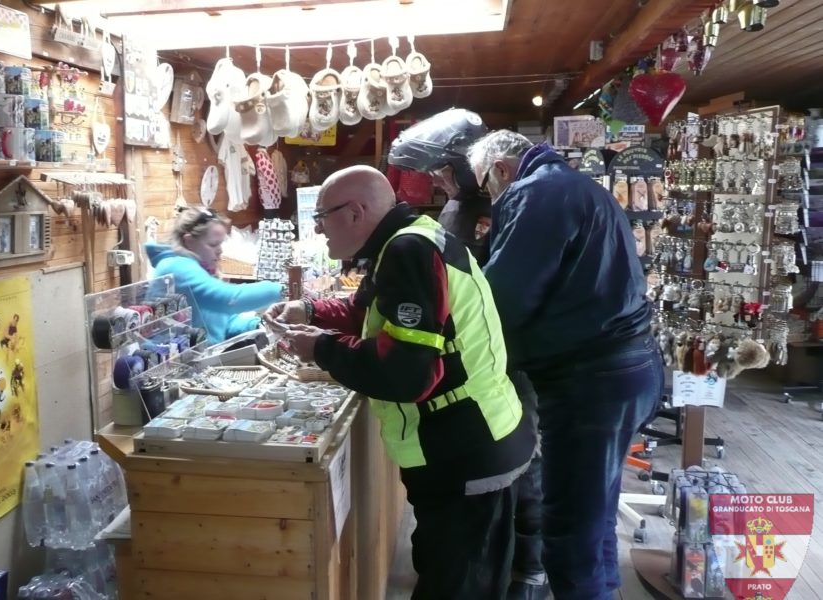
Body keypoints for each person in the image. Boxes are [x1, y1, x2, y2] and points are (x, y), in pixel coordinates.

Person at [265, 165, 535, 599]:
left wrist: (321, 349)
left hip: (466, 451)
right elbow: (367, 311)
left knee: (458, 586)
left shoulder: (409, 251)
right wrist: (309, 311)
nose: (318, 231)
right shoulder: (405, 240)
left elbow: (406, 374)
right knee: (449, 572)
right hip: (469, 444)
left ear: (354, 212)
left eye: (321, 218)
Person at [466, 130, 664, 600]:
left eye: (485, 185)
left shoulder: (536, 193)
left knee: (570, 533)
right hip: (625, 370)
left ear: (500, 170)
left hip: (590, 380)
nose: (489, 197)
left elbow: (504, 298)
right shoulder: (573, 187)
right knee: (593, 518)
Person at [388, 108, 547, 599]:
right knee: (516, 474)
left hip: (503, 361)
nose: (436, 179)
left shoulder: (495, 204)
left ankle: (531, 570)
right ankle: (526, 569)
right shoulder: (477, 204)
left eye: (441, 169)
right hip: (496, 359)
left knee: (522, 474)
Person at [146, 207, 282, 344]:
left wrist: (256, 324)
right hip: (171, 360)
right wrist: (283, 289)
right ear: (189, 241)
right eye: (213, 244)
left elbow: (223, 320)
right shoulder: (176, 267)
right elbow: (229, 300)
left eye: (221, 243)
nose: (220, 251)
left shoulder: (201, 268)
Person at [388, 108, 492, 266]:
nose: (435, 182)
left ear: (465, 167)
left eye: (438, 171)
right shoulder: (453, 205)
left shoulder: (496, 211)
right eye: (430, 173)